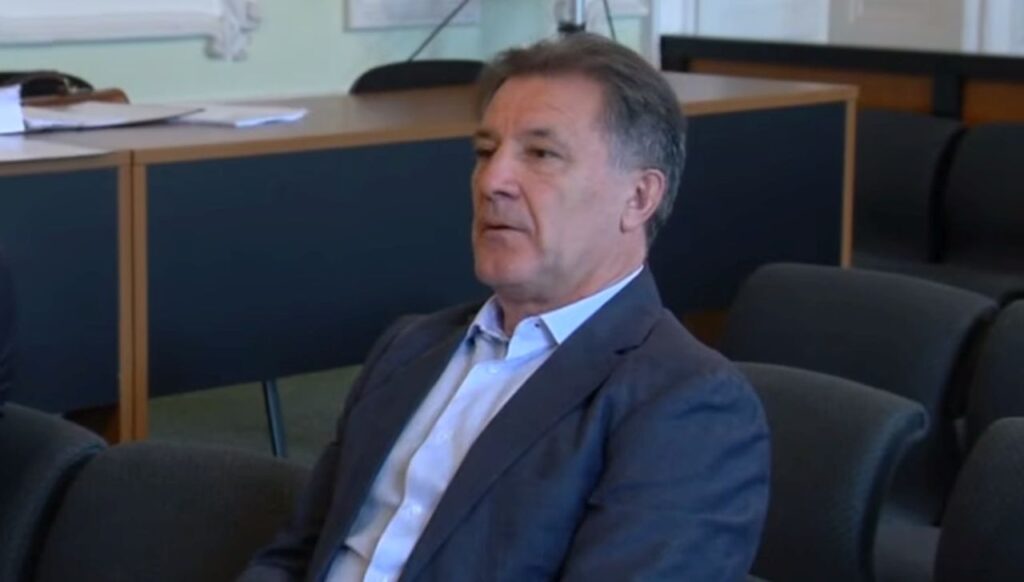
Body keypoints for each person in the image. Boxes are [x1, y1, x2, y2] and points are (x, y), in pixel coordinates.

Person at [241, 33, 770, 582]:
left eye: (541, 154)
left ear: (638, 198)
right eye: (485, 151)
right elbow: (297, 554)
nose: (493, 181)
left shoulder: (687, 403)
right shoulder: (411, 346)